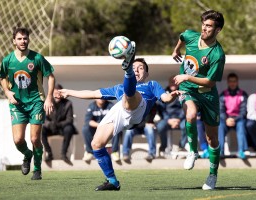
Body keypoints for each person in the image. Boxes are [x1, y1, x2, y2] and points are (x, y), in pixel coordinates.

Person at [59, 42, 181, 191]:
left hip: (137, 110)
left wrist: (173, 96)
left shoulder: (151, 85)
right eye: (134, 68)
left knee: (130, 95)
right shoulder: (118, 88)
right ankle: (112, 181)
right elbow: (92, 94)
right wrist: (68, 92)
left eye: (140, 68)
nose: (137, 70)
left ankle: (126, 70)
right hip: (120, 110)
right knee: (96, 144)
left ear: (146, 74)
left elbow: (166, 98)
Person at [172, 10, 225, 190]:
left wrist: (186, 77)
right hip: (188, 91)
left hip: (208, 94)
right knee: (191, 114)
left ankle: (212, 175)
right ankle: (192, 151)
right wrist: (176, 49)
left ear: (217, 30)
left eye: (209, 25)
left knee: (212, 139)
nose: (204, 27)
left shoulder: (217, 54)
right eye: (203, 23)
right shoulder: (192, 36)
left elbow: (210, 81)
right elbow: (182, 35)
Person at [0, 27, 55, 180]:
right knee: (18, 140)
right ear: (13, 41)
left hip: (36, 102)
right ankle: (27, 154)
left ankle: (37, 169)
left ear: (28, 39)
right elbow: (2, 77)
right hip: (17, 104)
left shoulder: (37, 58)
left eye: (25, 38)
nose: (23, 41)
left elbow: (50, 77)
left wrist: (49, 98)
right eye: (19, 38)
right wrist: (7, 92)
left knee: (35, 139)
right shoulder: (7, 60)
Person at [42, 84, 77, 163]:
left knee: (69, 128)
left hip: (62, 128)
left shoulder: (68, 103)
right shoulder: (47, 102)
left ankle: (63, 154)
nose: (57, 95)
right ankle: (49, 154)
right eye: (55, 93)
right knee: (41, 130)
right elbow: (43, 118)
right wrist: (50, 124)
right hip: (50, 128)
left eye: (59, 93)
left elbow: (69, 119)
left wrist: (58, 124)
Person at [218, 73, 248, 159]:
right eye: (230, 81)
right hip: (226, 119)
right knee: (220, 125)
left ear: (237, 82)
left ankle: (241, 151)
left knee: (241, 125)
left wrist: (235, 119)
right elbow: (221, 110)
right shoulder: (223, 94)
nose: (232, 83)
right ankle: (220, 152)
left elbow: (243, 111)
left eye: (234, 81)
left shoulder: (243, 94)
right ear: (227, 82)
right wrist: (227, 119)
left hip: (238, 119)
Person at [156, 76, 187, 155]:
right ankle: (164, 145)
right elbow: (161, 109)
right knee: (160, 126)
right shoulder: (163, 93)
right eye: (171, 82)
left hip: (180, 119)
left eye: (175, 82)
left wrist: (178, 119)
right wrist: (168, 120)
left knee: (187, 125)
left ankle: (181, 145)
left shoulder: (183, 92)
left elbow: (185, 107)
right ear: (169, 83)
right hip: (167, 119)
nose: (173, 84)